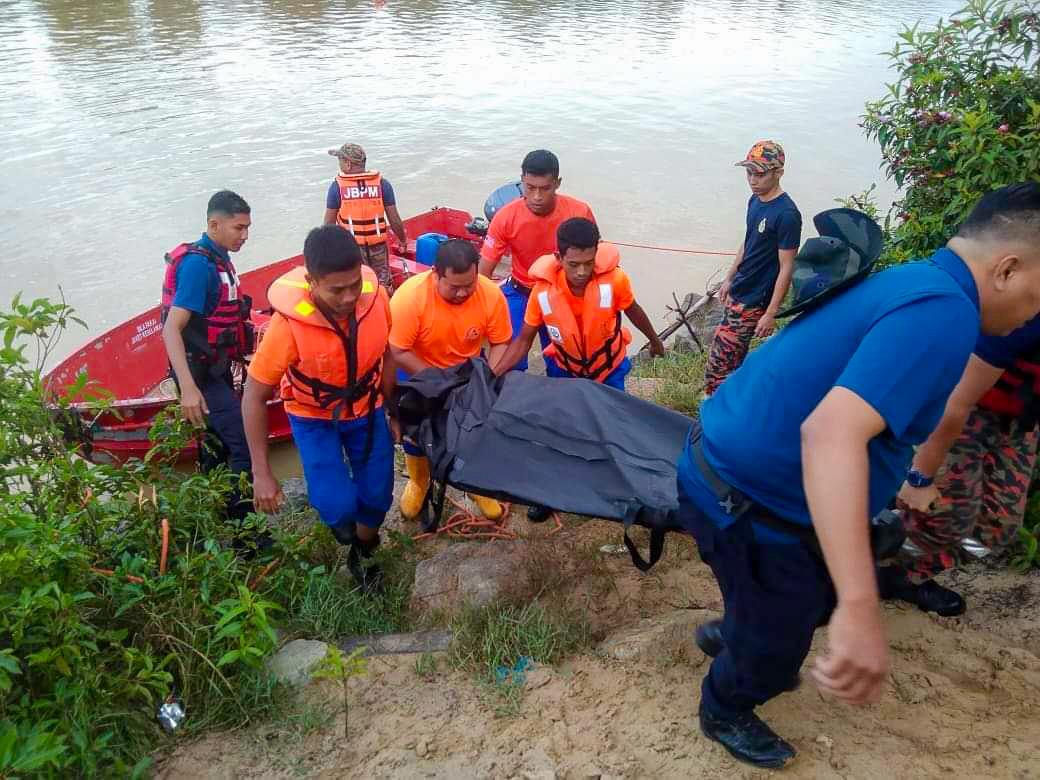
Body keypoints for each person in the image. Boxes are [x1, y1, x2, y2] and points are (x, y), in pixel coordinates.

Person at [675, 183, 1040, 769]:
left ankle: (741, 629)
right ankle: (724, 705)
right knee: (782, 645)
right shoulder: (945, 313)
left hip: (725, 469)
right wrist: (862, 608)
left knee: (813, 591)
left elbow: (861, 410)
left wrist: (900, 479)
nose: (1034, 312)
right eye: (1038, 295)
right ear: (1008, 268)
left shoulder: (918, 282)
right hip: (743, 499)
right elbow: (832, 433)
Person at [242, 225, 397, 593]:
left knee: (377, 497)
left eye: (354, 285)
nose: (348, 298)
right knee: (337, 507)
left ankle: (364, 551)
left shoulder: (377, 301)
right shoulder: (287, 328)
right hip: (314, 418)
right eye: (336, 290)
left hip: (368, 407)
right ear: (311, 281)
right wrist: (261, 472)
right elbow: (253, 397)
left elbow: (387, 355)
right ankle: (349, 536)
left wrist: (395, 411)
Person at [877, 314, 1040, 616]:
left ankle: (903, 575)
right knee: (943, 518)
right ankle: (851, 557)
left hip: (1020, 421)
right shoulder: (1029, 305)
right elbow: (955, 400)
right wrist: (920, 477)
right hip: (963, 410)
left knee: (997, 528)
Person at [391, 239, 513, 524]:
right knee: (416, 432)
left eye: (468, 285)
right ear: (435, 274)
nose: (462, 293)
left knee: (474, 427)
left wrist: (487, 380)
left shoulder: (489, 294)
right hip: (417, 372)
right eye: (453, 286)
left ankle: (477, 482)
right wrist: (436, 383)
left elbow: (500, 342)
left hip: (466, 371)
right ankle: (419, 482)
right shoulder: (409, 298)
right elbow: (397, 350)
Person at [161, 190, 256, 535]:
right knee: (242, 445)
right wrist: (188, 388)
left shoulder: (218, 257)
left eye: (247, 228)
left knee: (215, 447)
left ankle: (215, 522)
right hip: (199, 374)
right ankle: (247, 534)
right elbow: (172, 328)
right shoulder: (200, 267)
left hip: (212, 367)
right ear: (214, 224)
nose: (244, 235)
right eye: (238, 228)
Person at [493, 217, 665, 387]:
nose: (581, 272)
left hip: (610, 370)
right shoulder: (542, 293)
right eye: (573, 264)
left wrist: (655, 342)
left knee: (611, 413)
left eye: (588, 263)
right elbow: (524, 340)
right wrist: (493, 374)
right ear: (559, 258)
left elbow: (633, 310)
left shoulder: (615, 281)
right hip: (566, 372)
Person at [478, 149, 596, 371]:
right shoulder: (505, 217)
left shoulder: (579, 212)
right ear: (522, 181)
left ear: (557, 183)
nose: (537, 197)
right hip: (521, 290)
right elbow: (484, 273)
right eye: (530, 188)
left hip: (561, 294)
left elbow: (593, 262)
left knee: (564, 363)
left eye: (545, 188)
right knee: (506, 359)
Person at [703, 140, 802, 396]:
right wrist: (729, 278)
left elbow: (787, 267)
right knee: (728, 361)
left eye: (760, 173)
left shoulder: (787, 214)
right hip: (739, 290)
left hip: (754, 301)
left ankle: (715, 413)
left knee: (718, 368)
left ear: (778, 172)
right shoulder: (755, 201)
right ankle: (730, 406)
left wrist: (770, 313)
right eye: (749, 172)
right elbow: (748, 243)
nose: (752, 180)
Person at [324, 142, 407, 290]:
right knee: (383, 285)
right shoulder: (382, 184)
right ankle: (385, 305)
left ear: (348, 164)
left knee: (358, 286)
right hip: (379, 248)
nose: (340, 165)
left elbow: (328, 226)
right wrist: (402, 240)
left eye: (340, 161)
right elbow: (394, 219)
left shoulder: (337, 187)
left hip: (351, 249)